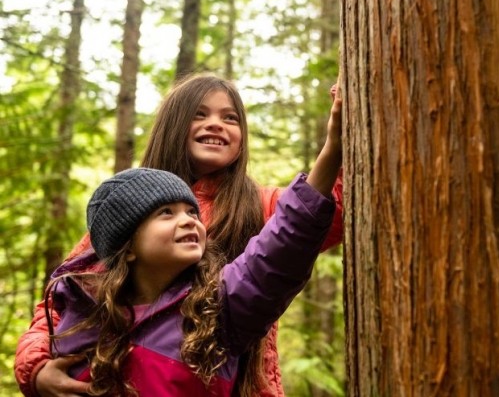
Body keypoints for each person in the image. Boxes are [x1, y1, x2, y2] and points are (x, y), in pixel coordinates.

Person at [15, 74, 344, 397]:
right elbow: (66, 300)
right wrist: (37, 368)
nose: (216, 124)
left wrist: (344, 131)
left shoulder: (262, 205)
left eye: (230, 118)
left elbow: (310, 219)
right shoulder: (126, 211)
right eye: (199, 114)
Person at [45, 153, 339, 395]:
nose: (188, 221)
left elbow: (284, 241)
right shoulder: (83, 314)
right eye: (166, 213)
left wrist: (332, 149)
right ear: (128, 246)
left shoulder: (220, 308)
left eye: (191, 211)